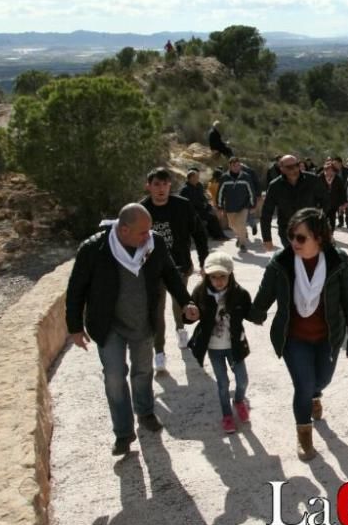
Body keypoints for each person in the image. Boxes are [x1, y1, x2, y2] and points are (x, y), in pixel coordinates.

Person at [65, 203, 191, 455]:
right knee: (114, 377)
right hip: (108, 325)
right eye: (142, 232)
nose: (148, 236)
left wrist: (186, 301)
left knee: (143, 371)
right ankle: (123, 433)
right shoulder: (94, 249)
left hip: (142, 322)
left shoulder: (153, 244)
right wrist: (75, 327)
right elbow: (76, 289)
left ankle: (144, 412)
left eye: (149, 231)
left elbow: (170, 273)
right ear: (123, 230)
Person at [248, 208, 348, 461]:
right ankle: (304, 437)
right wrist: (241, 309)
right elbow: (262, 299)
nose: (294, 242)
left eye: (301, 238)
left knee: (320, 381)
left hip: (328, 337)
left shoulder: (339, 261)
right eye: (291, 236)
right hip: (294, 338)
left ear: (319, 237)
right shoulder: (281, 261)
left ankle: (316, 395)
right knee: (303, 385)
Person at [140, 168, 209, 373]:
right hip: (153, 270)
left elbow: (199, 233)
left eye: (165, 184)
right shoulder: (141, 210)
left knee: (179, 301)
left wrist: (205, 261)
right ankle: (159, 352)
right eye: (156, 185)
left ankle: (180, 329)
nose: (161, 189)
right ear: (149, 186)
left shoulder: (182, 206)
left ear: (170, 185)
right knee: (157, 309)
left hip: (180, 265)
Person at [183, 251, 252, 435]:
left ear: (230, 275)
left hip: (234, 345)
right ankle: (227, 415)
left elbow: (251, 312)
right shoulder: (200, 292)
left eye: (223, 276)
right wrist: (189, 315)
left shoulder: (239, 293)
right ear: (207, 276)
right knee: (222, 383)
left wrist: (261, 312)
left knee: (242, 380)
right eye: (214, 277)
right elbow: (189, 316)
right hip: (214, 348)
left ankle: (239, 401)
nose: (218, 281)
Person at [260, 154, 329, 251]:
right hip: (288, 232)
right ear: (282, 169)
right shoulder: (275, 186)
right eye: (289, 167)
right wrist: (267, 238)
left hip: (310, 230)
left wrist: (320, 220)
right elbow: (266, 213)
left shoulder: (313, 180)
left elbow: (325, 200)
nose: (294, 169)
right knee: (295, 259)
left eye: (296, 165)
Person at [217, 156, 260, 253]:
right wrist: (219, 206)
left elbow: (251, 191)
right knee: (232, 225)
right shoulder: (224, 178)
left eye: (238, 165)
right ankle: (241, 235)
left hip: (243, 206)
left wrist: (253, 205)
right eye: (234, 166)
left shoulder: (246, 176)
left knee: (241, 224)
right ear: (230, 166)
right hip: (230, 206)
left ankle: (242, 244)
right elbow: (220, 192)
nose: (236, 167)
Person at [179, 169, 227, 240]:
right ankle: (217, 236)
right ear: (191, 178)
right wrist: (201, 205)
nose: (198, 178)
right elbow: (187, 203)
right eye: (196, 177)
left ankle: (220, 235)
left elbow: (203, 197)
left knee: (214, 213)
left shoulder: (199, 186)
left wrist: (207, 205)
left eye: (198, 177)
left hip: (202, 208)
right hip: (193, 211)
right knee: (211, 218)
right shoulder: (185, 189)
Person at [321, 162, 347, 233]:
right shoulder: (320, 177)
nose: (330, 172)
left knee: (332, 219)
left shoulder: (338, 179)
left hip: (334, 203)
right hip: (322, 203)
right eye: (328, 170)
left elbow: (342, 191)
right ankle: (324, 233)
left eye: (332, 170)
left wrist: (344, 202)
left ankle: (331, 233)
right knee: (323, 219)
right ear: (325, 170)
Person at [331, 156, 348, 228]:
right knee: (339, 208)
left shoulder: (347, 170)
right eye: (334, 163)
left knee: (347, 208)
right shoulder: (333, 171)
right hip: (338, 192)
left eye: (336, 163)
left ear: (340, 163)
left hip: (347, 191)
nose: (335, 165)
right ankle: (341, 222)